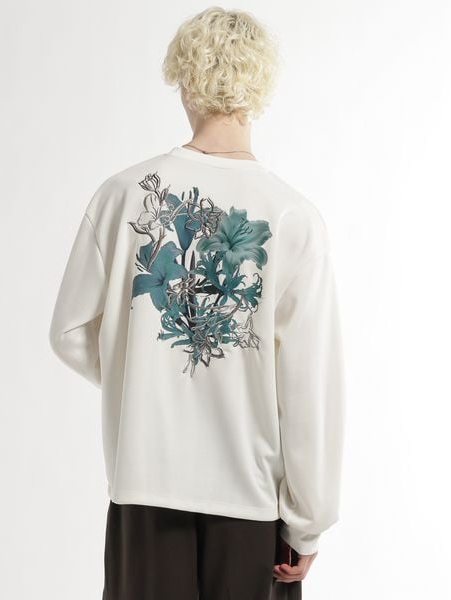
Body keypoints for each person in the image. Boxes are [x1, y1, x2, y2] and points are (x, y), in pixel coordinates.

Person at [48, 6, 346, 600]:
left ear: (183, 81)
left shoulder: (121, 196)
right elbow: (310, 387)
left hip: (144, 488)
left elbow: (70, 331)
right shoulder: (293, 217)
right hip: (252, 504)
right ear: (259, 88)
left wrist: (145, 380)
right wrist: (308, 523)